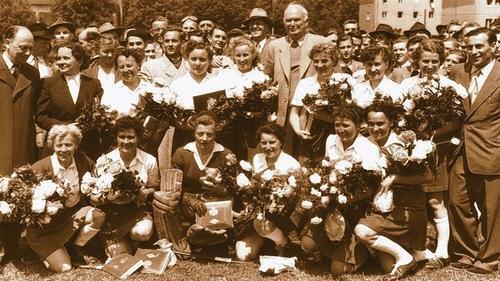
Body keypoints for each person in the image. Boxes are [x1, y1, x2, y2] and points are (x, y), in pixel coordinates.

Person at [400, 39, 469, 269]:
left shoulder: (450, 86)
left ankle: (442, 251)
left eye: (434, 61)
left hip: (438, 149)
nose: (429, 65)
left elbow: (457, 119)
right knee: (414, 199)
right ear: (417, 61)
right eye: (425, 61)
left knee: (435, 200)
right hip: (412, 149)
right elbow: (399, 116)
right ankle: (417, 249)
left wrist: (433, 135)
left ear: (441, 62)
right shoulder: (407, 85)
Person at [300, 105, 383, 275]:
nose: (340, 130)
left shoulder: (369, 148)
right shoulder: (331, 140)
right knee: (306, 244)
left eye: (346, 125)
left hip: (356, 206)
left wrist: (346, 198)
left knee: (338, 271)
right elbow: (327, 169)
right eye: (337, 125)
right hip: (332, 202)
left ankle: (365, 252)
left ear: (359, 125)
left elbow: (372, 187)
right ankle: (327, 250)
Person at [355, 102, 433, 280]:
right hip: (382, 208)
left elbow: (427, 177)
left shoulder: (403, 144)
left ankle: (406, 256)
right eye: (371, 123)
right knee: (386, 266)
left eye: (380, 123)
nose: (375, 128)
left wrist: (396, 179)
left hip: (407, 209)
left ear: (391, 122)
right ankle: (416, 254)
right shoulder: (364, 143)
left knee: (362, 231)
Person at [448, 27, 500, 275]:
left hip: (492, 149)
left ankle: (490, 257)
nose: (473, 51)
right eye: (469, 47)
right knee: (458, 202)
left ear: (493, 46)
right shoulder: (458, 72)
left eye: (479, 46)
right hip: (460, 149)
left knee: (492, 209)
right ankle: (466, 252)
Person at [27, 124, 105, 272]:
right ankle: (43, 252)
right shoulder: (40, 167)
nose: (64, 150)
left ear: (75, 145)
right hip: (45, 228)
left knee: (98, 215)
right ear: (52, 145)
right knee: (65, 268)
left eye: (68, 145)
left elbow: (97, 176)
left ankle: (75, 248)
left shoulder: (82, 161)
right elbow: (26, 200)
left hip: (71, 218)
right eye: (59, 145)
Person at [262, 2, 327, 153]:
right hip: (282, 114)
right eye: (288, 20)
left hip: (312, 115)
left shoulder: (321, 42)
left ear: (306, 21)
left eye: (296, 20)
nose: (292, 24)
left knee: (308, 159)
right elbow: (266, 79)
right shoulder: (274, 46)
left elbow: (334, 77)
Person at [0, 25, 41, 262]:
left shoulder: (32, 74)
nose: (26, 52)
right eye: (21, 47)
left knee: (17, 195)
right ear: (6, 42)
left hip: (22, 145)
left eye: (30, 48)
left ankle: (13, 249)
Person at [95, 116, 159, 258]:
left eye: (131, 137)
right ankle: (120, 243)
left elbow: (155, 186)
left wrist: (146, 191)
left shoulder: (149, 160)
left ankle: (134, 240)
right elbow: (97, 193)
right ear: (115, 138)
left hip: (137, 209)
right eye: (121, 137)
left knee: (142, 233)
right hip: (113, 213)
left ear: (138, 138)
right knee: (121, 257)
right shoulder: (104, 161)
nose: (126, 141)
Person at [236, 122, 300, 261]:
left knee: (263, 226)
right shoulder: (257, 159)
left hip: (280, 216)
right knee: (243, 256)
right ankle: (266, 243)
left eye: (272, 142)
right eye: (263, 142)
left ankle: (283, 244)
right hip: (258, 213)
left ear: (281, 142)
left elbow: (293, 202)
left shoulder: (291, 164)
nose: (268, 147)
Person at [170, 112, 234, 250]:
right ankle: (201, 235)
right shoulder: (182, 153)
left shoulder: (226, 154)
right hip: (189, 204)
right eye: (200, 134)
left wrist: (222, 190)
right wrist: (189, 200)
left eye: (209, 134)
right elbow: (173, 188)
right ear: (194, 132)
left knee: (216, 211)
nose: (204, 138)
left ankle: (206, 235)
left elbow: (236, 188)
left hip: (215, 203)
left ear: (215, 133)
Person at [36, 41, 104, 160]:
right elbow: (41, 116)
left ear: (80, 61)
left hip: (87, 146)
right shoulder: (48, 83)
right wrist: (66, 127)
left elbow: (100, 115)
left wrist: (90, 125)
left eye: (66, 58)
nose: (61, 62)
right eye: (59, 58)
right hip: (58, 144)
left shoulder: (94, 84)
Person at [170, 41, 235, 151]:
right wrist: (182, 124)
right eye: (193, 59)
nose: (198, 63)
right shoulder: (177, 84)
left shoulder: (219, 83)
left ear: (209, 62)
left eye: (203, 59)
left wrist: (220, 125)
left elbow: (229, 114)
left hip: (213, 138)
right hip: (185, 138)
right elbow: (172, 117)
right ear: (186, 60)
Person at [289, 43, 345, 162]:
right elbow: (294, 112)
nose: (319, 65)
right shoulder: (305, 83)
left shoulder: (343, 81)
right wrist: (298, 130)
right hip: (310, 134)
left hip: (336, 134)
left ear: (334, 61)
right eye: (316, 61)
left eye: (324, 61)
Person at [224, 38, 270, 159]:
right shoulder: (225, 75)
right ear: (233, 56)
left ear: (253, 55)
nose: (242, 59)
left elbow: (266, 108)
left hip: (252, 128)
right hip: (229, 128)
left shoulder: (261, 78)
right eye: (238, 55)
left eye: (246, 55)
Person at [101, 49, 149, 117]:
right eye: (121, 67)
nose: (126, 70)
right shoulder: (110, 92)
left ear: (138, 65)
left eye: (129, 66)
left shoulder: (150, 89)